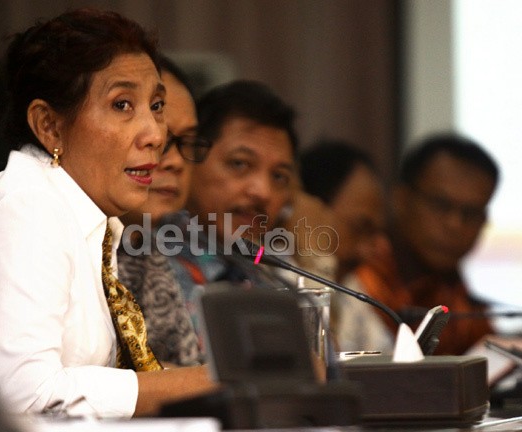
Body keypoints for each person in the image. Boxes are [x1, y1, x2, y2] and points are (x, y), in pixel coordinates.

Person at [0, 8, 217, 419]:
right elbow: (27, 398)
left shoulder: (90, 223)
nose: (154, 134)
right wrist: (214, 380)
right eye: (122, 104)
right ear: (50, 126)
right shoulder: (23, 208)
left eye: (157, 105)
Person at [170, 80, 298, 354]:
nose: (262, 192)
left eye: (279, 177)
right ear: (190, 157)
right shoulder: (144, 267)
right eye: (239, 163)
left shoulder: (278, 287)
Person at [356, 132, 499, 355]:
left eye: (471, 213)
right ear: (401, 199)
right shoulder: (362, 278)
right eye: (441, 205)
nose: (455, 225)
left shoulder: (459, 296)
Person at [117, 55, 210, 367]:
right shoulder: (61, 240)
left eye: (188, 142)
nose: (176, 162)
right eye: (162, 140)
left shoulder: (152, 249)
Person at [297, 140, 393, 352]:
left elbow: (387, 357)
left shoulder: (349, 283)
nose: (381, 245)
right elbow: (320, 359)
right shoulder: (273, 275)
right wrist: (315, 260)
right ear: (312, 209)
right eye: (362, 227)